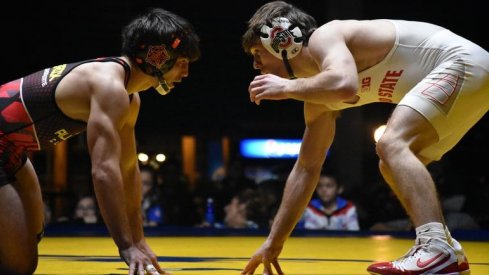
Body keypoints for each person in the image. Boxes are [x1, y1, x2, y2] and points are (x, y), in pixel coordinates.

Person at [241, 1, 488, 274]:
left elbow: (345, 85)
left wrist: (287, 87)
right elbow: (307, 168)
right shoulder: (317, 101)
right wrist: (274, 242)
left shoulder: (326, 36)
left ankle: (436, 248)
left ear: (281, 40)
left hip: (462, 61)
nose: (255, 65)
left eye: (257, 53)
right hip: (470, 74)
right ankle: (446, 248)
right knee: (393, 160)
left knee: (391, 144)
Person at [0, 7, 200, 275]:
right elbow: (104, 172)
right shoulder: (108, 86)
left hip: (12, 149)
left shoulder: (130, 98)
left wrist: (139, 240)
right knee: (19, 266)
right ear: (157, 58)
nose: (185, 73)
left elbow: (128, 170)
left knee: (33, 233)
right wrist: (125, 246)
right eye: (181, 62)